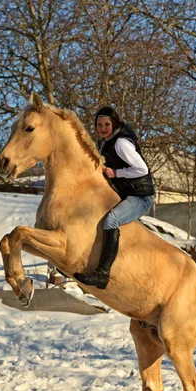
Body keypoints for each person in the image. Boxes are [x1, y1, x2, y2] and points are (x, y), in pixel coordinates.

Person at [74, 106, 155, 289]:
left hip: (140, 197)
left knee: (111, 221)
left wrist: (116, 173)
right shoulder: (106, 141)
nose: (102, 128)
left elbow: (142, 169)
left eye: (107, 124)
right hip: (126, 193)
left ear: (115, 124)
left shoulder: (120, 143)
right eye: (99, 125)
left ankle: (102, 274)